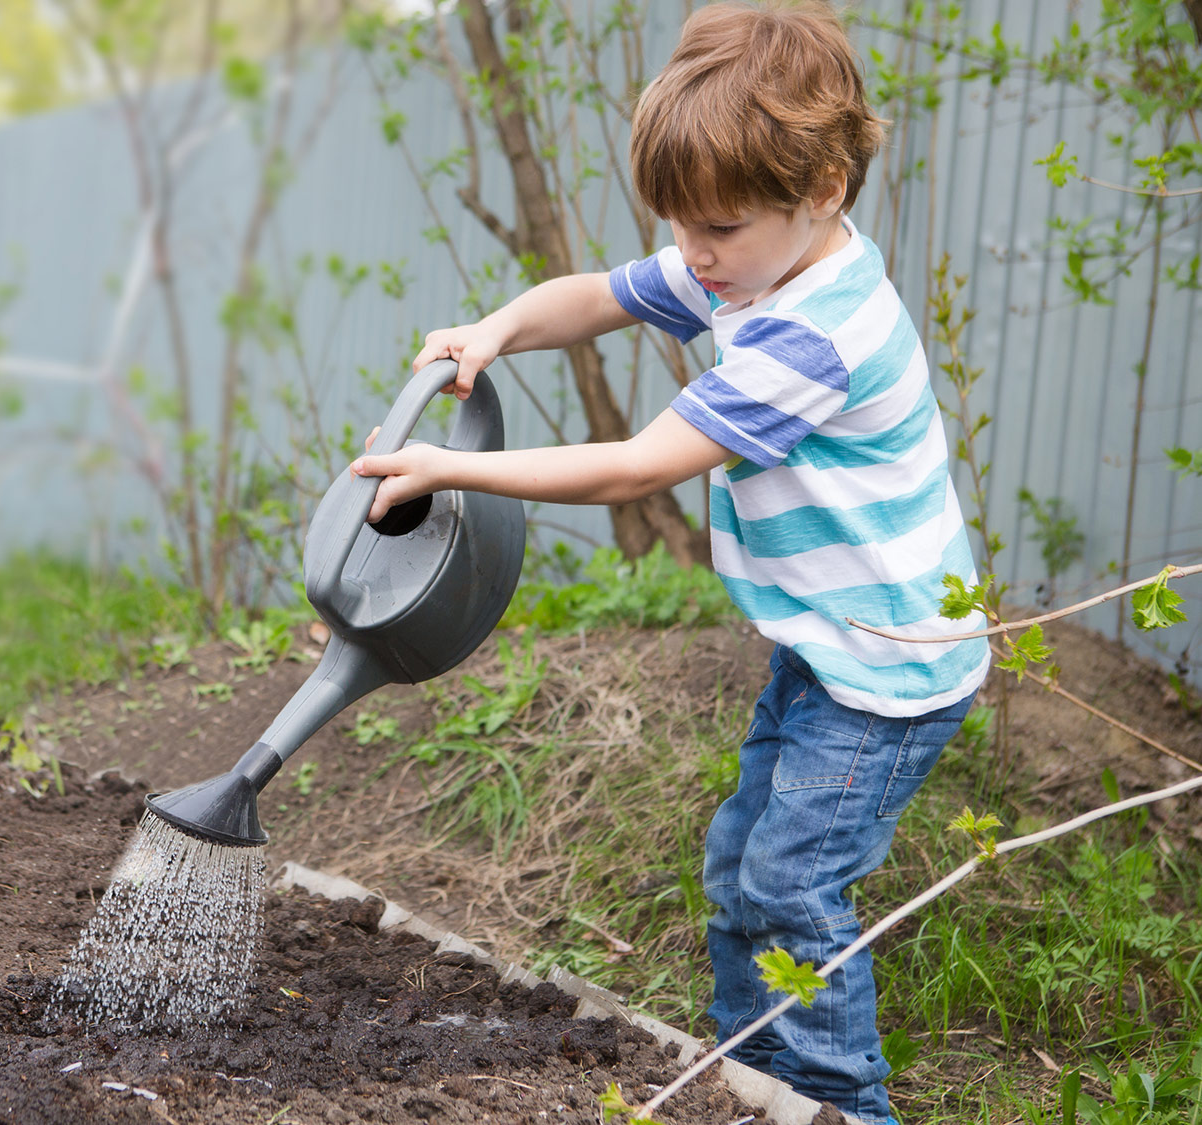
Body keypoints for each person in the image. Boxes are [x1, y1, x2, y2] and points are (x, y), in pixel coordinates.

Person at [351, 2, 989, 1122]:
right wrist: (496, 327)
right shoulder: (751, 263)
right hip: (827, 642)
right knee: (739, 864)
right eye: (681, 224)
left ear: (824, 191)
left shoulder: (813, 336)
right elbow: (598, 297)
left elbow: (637, 467)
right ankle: (756, 1084)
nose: (693, 253)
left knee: (792, 883)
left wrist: (450, 472)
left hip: (890, 669)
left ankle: (845, 1107)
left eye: (717, 229)